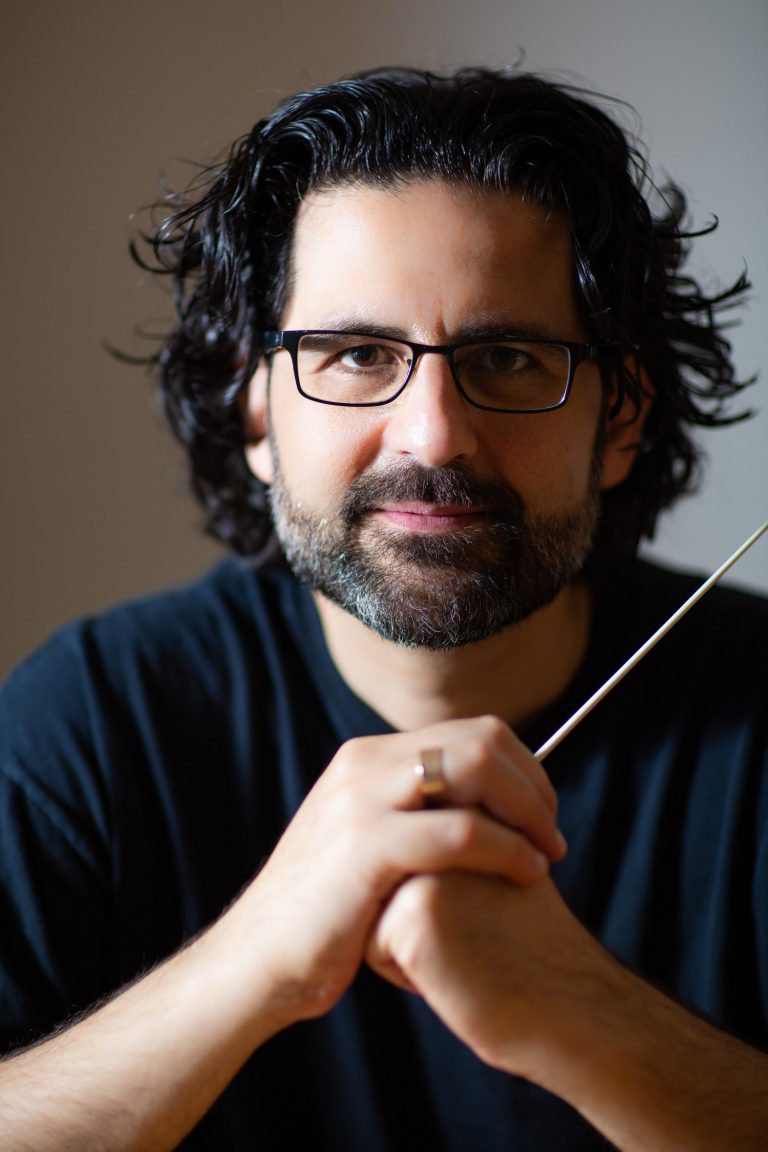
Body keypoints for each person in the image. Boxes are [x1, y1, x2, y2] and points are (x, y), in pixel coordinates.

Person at [1, 65, 766, 1151]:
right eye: (358, 355)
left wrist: (579, 1015)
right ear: (257, 413)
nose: (433, 433)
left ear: (622, 419)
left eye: (508, 357)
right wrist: (257, 958)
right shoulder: (88, 721)